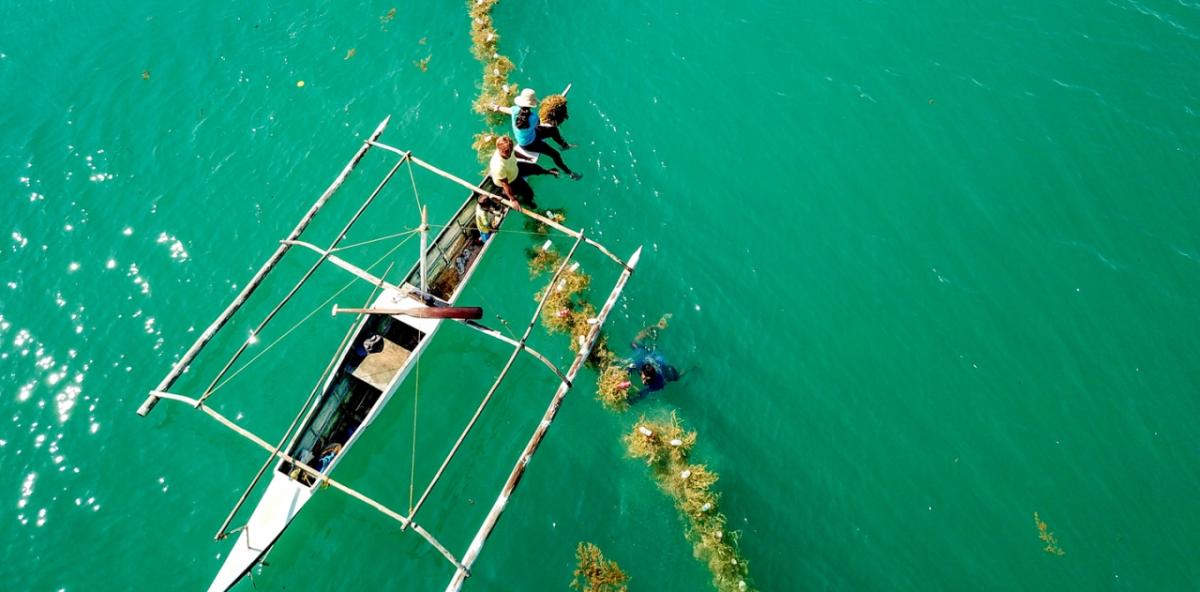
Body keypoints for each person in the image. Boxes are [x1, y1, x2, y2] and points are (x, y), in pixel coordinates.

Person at [495, 88, 581, 180]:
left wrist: (497, 107)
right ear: (531, 104)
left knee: (552, 130)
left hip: (525, 139)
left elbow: (507, 110)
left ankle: (564, 145)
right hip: (530, 144)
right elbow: (541, 123)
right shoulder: (534, 117)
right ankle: (570, 173)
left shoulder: (514, 110)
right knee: (555, 154)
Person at [479, 136, 555, 208]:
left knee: (534, 167)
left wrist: (525, 157)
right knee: (529, 193)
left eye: (511, 149)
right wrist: (513, 200)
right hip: (510, 179)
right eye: (508, 151)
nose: (510, 152)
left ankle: (546, 172)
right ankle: (529, 203)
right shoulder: (498, 166)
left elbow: (514, 152)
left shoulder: (509, 149)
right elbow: (505, 184)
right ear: (501, 150)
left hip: (513, 167)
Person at [627, 314, 679, 396]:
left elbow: (641, 395)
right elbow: (629, 368)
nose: (644, 382)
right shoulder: (639, 364)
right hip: (651, 356)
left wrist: (630, 399)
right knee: (633, 343)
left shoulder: (657, 383)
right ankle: (657, 326)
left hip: (659, 362)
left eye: (647, 380)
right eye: (644, 378)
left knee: (675, 377)